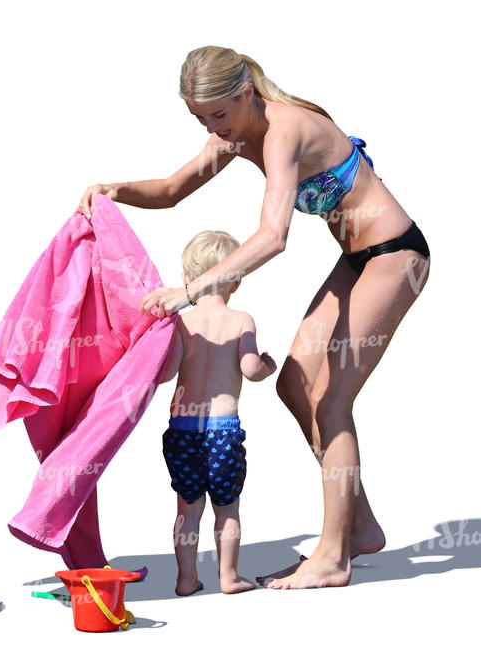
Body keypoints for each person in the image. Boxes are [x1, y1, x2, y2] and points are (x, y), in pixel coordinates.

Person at [78, 45, 431, 589]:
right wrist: (114, 191)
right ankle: (359, 528)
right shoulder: (236, 136)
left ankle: (333, 556)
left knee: (331, 398)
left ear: (246, 93)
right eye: (200, 119)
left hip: (395, 257)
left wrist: (191, 291)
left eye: (219, 114)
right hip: (358, 258)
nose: (213, 128)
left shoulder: (285, 128)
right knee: (293, 383)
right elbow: (173, 190)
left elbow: (273, 237)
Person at [157, 229, 276, 595]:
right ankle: (228, 577)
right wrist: (269, 364)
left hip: (182, 429)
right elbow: (251, 370)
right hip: (222, 431)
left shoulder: (181, 322)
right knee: (227, 508)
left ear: (187, 280)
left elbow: (165, 373)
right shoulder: (242, 320)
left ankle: (185, 579)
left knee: (187, 510)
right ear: (236, 280)